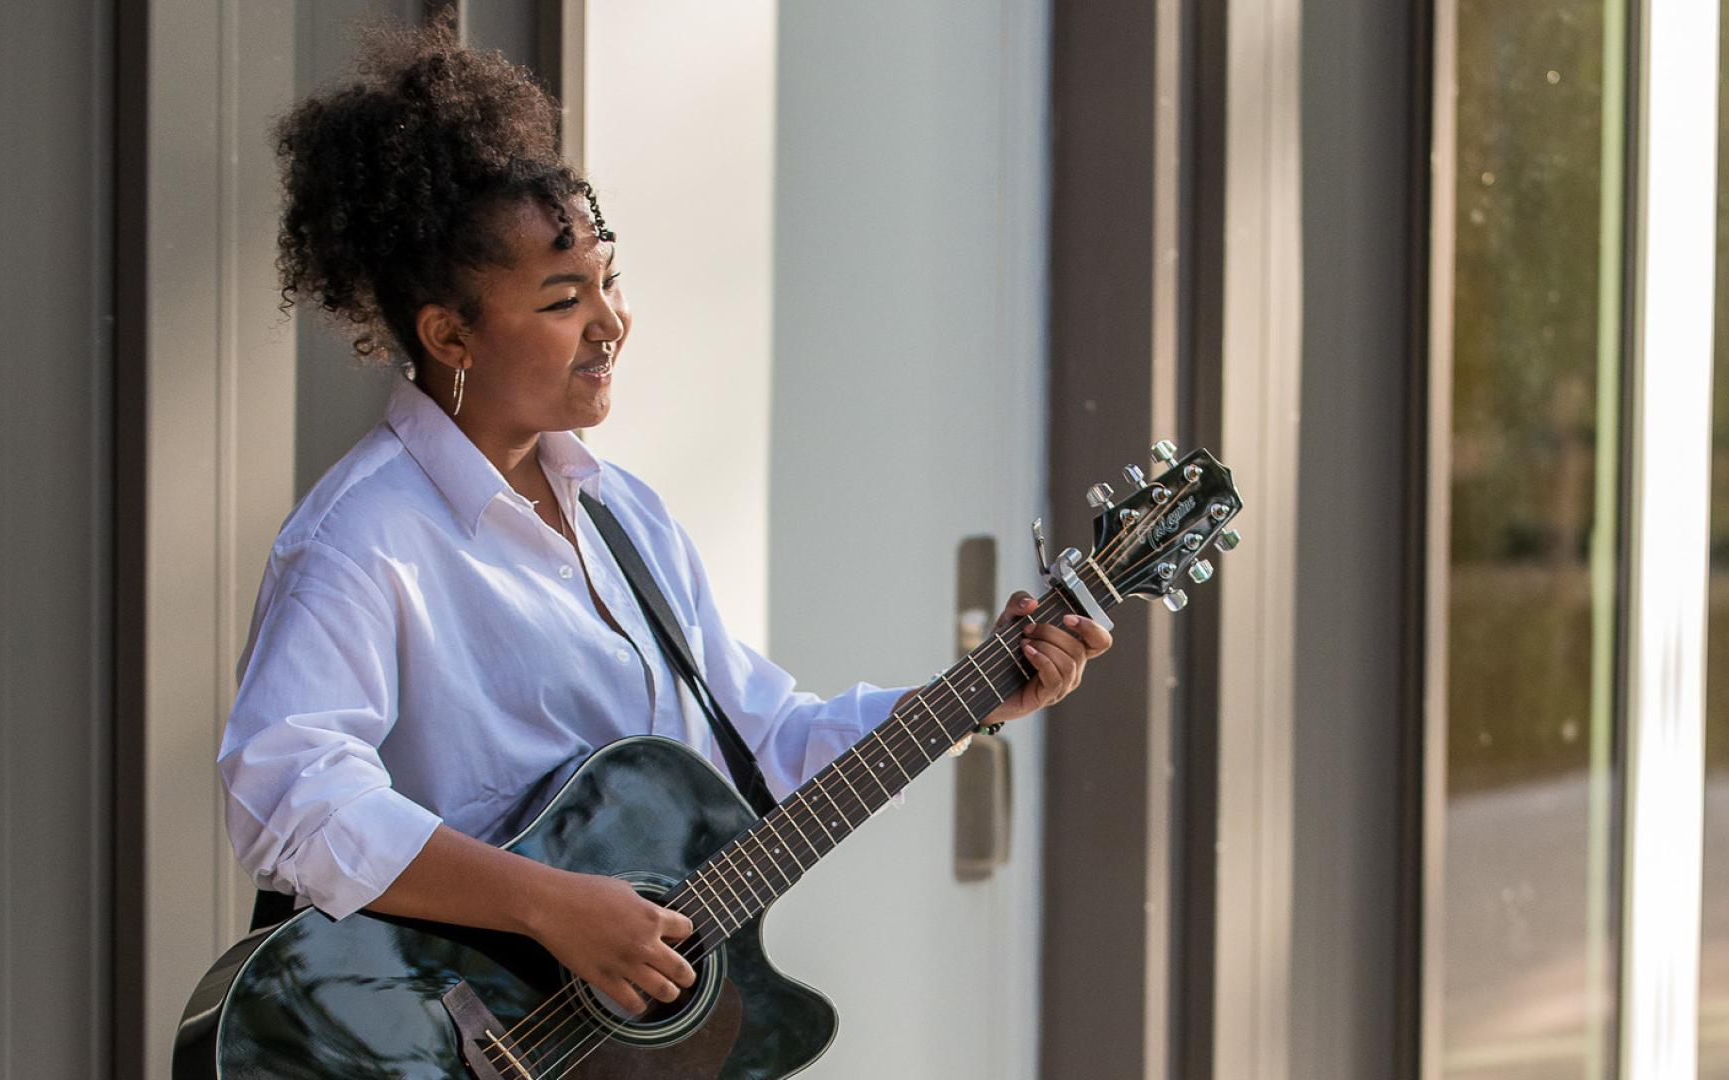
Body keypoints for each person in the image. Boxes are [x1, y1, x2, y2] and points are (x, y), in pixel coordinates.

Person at [218, 18, 1111, 1021]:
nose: (611, 322)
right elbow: (288, 796)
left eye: (610, 280)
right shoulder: (363, 536)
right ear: (450, 333)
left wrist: (973, 696)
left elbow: (764, 746)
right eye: (564, 299)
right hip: (447, 1034)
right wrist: (551, 908)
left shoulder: (622, 515)